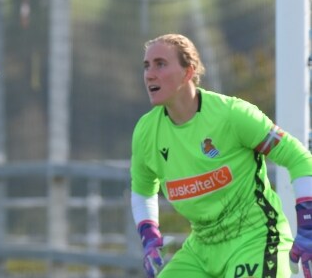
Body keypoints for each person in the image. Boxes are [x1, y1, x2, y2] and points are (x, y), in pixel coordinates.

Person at [131, 33, 312, 277]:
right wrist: (149, 236)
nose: (149, 74)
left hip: (255, 239)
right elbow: (143, 191)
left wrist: (308, 222)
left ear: (188, 72)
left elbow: (299, 158)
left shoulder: (232, 115)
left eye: (160, 64)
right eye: (146, 66)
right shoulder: (146, 132)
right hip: (201, 249)